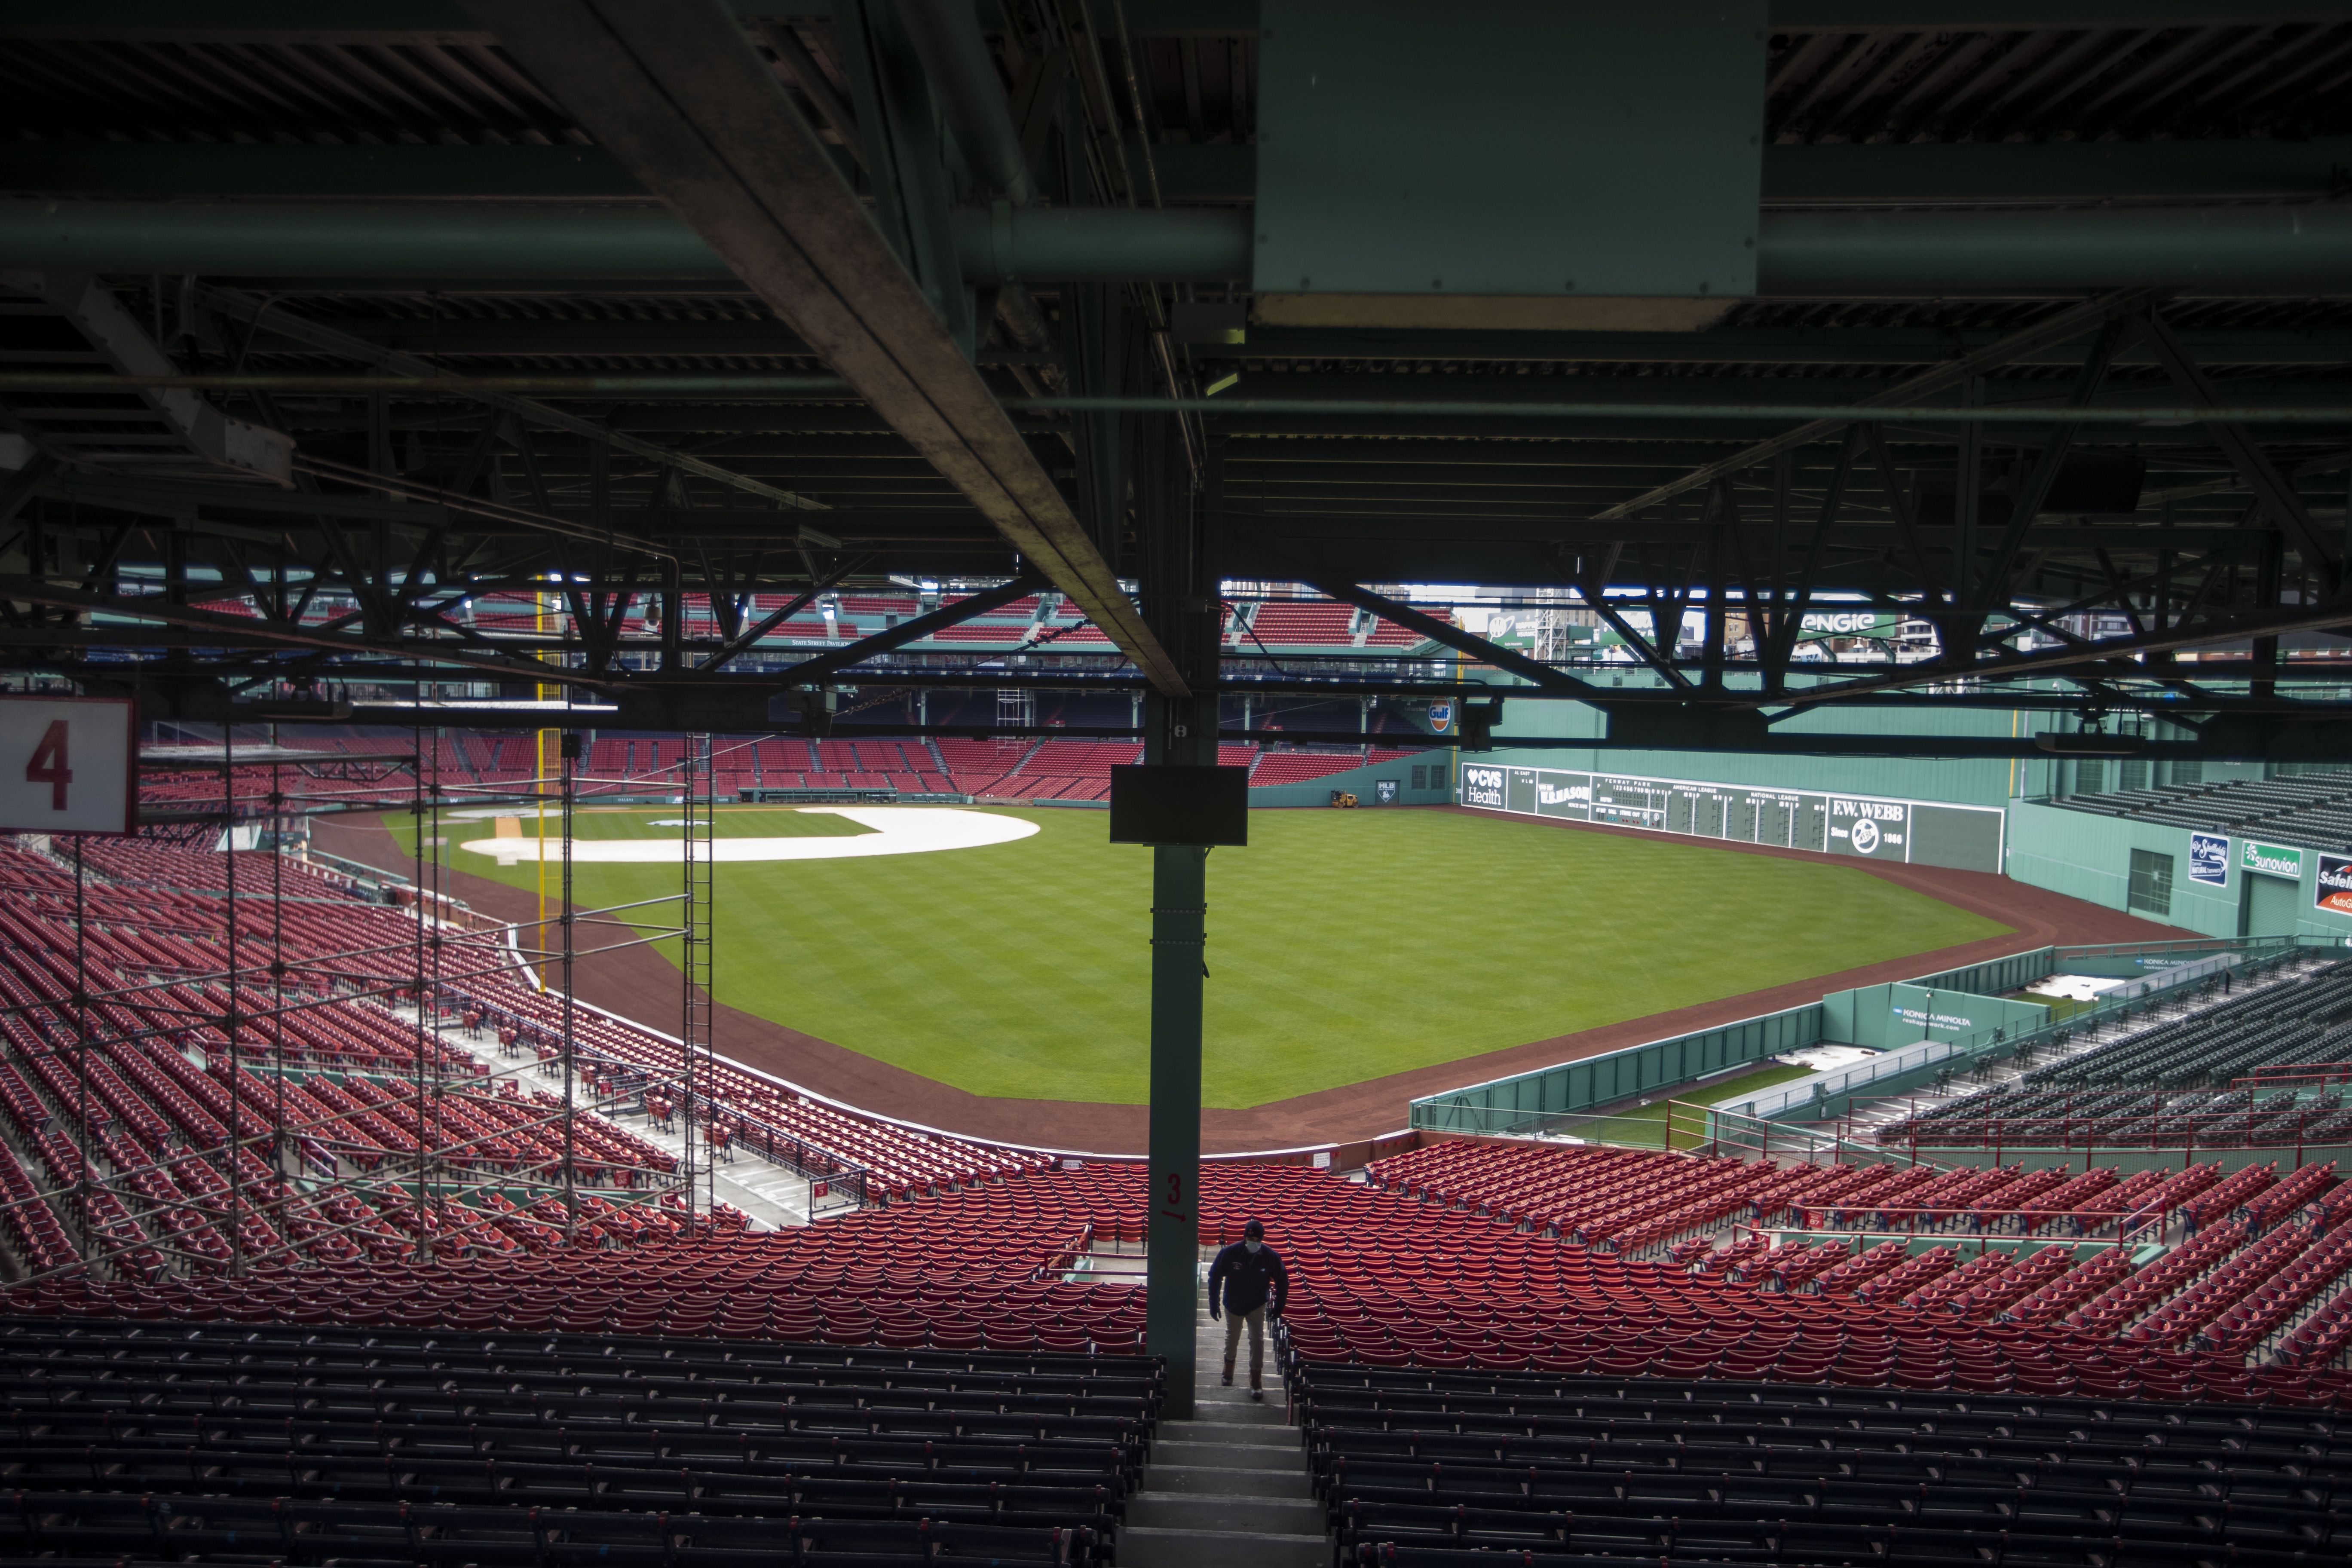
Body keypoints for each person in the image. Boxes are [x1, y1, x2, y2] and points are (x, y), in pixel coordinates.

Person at [1206, 1219, 1289, 1400]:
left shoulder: (1270, 1256)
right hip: (1233, 1304)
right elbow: (1215, 1277)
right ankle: (1228, 1371)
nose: (1254, 1243)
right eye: (1250, 1240)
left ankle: (1256, 1379)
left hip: (1257, 1304)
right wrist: (1214, 1303)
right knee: (1232, 1337)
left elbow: (1283, 1280)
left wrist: (1279, 1306)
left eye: (1257, 1241)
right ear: (1244, 1238)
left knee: (1257, 1340)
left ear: (1262, 1240)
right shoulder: (1230, 1253)